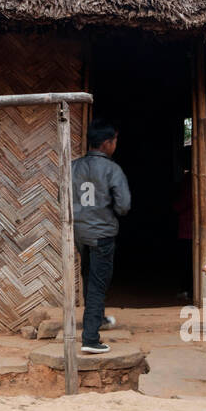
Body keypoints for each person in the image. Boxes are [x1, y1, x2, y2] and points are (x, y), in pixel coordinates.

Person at [71, 119, 131, 354]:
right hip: (102, 233)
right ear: (107, 143)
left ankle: (97, 319)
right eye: (114, 141)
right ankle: (91, 339)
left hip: (79, 231)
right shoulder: (112, 169)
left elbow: (61, 198)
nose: (115, 145)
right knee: (98, 282)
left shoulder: (73, 166)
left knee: (88, 275)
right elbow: (124, 206)